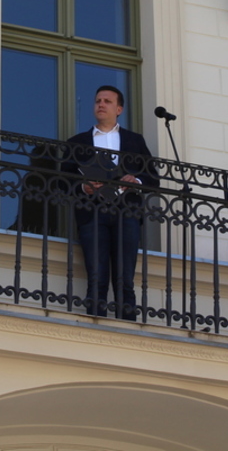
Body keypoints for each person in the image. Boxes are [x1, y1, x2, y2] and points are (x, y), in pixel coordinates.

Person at [64, 86, 159, 320]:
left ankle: (127, 327)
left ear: (119, 109)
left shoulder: (134, 140)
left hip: (127, 211)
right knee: (96, 276)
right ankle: (96, 324)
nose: (101, 104)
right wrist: (83, 187)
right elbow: (62, 180)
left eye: (107, 101)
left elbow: (153, 178)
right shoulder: (77, 142)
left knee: (125, 278)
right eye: (98, 100)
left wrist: (135, 180)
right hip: (92, 211)